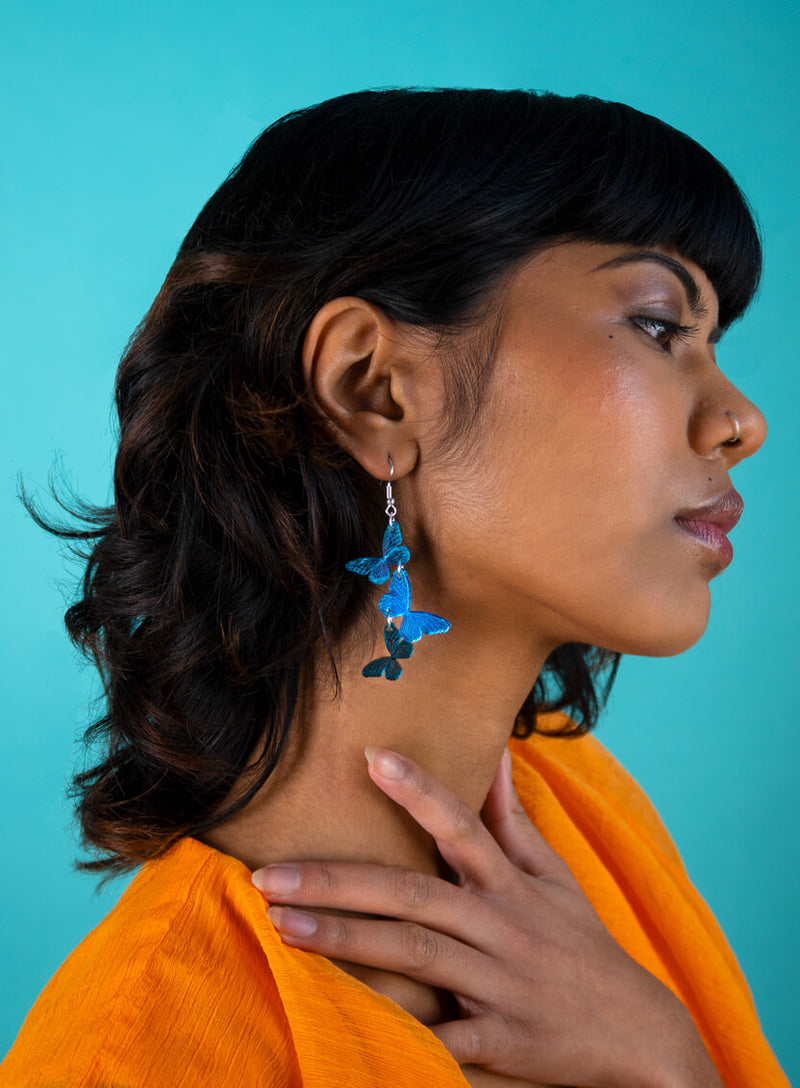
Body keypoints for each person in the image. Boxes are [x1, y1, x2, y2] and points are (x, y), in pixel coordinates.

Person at [1, 88, 789, 1087]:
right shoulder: (133, 1056)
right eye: (656, 324)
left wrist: (669, 1061)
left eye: (713, 345)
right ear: (371, 386)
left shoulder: (581, 811)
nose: (741, 420)